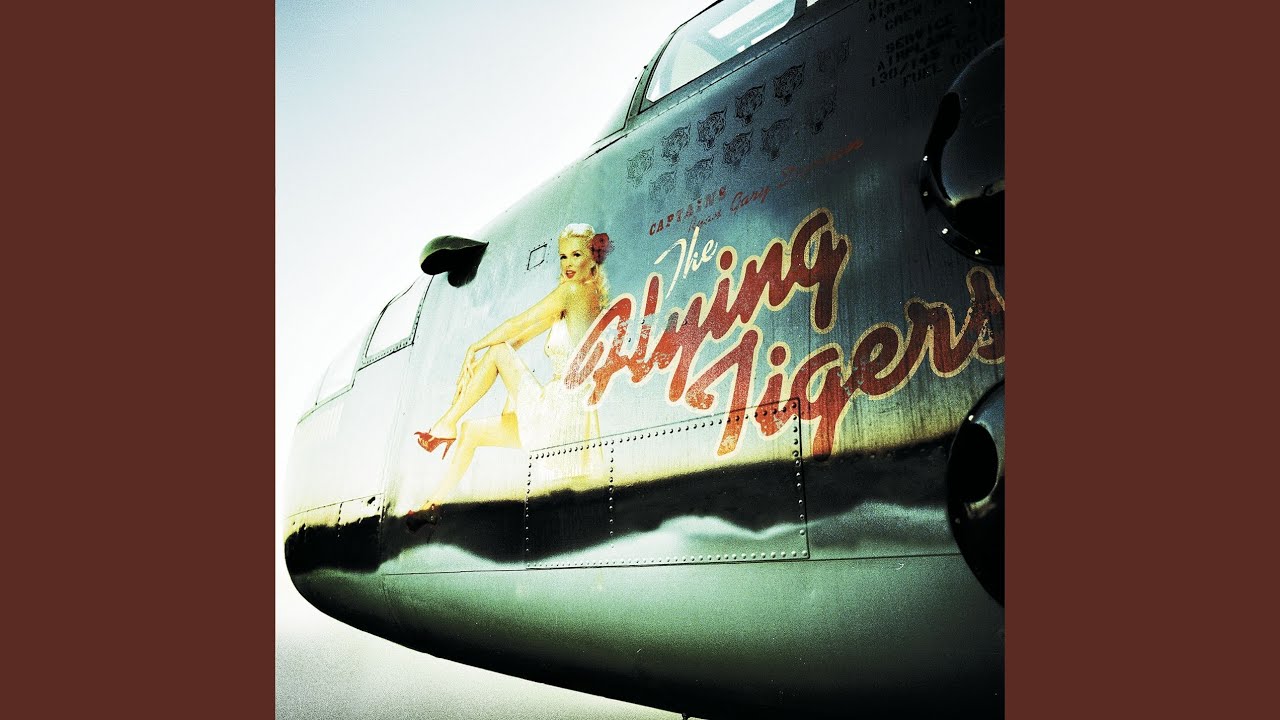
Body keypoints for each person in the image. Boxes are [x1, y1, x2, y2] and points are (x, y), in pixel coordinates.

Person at [406, 223, 611, 533]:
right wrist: (481, 367)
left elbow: (515, 324)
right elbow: (520, 337)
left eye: (576, 255)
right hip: (562, 411)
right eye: (562, 256)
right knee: (472, 431)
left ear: (592, 259)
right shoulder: (577, 299)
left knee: (497, 351)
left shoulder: (572, 292)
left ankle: (445, 424)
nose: (568, 264)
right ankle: (432, 505)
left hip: (563, 410)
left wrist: (474, 348)